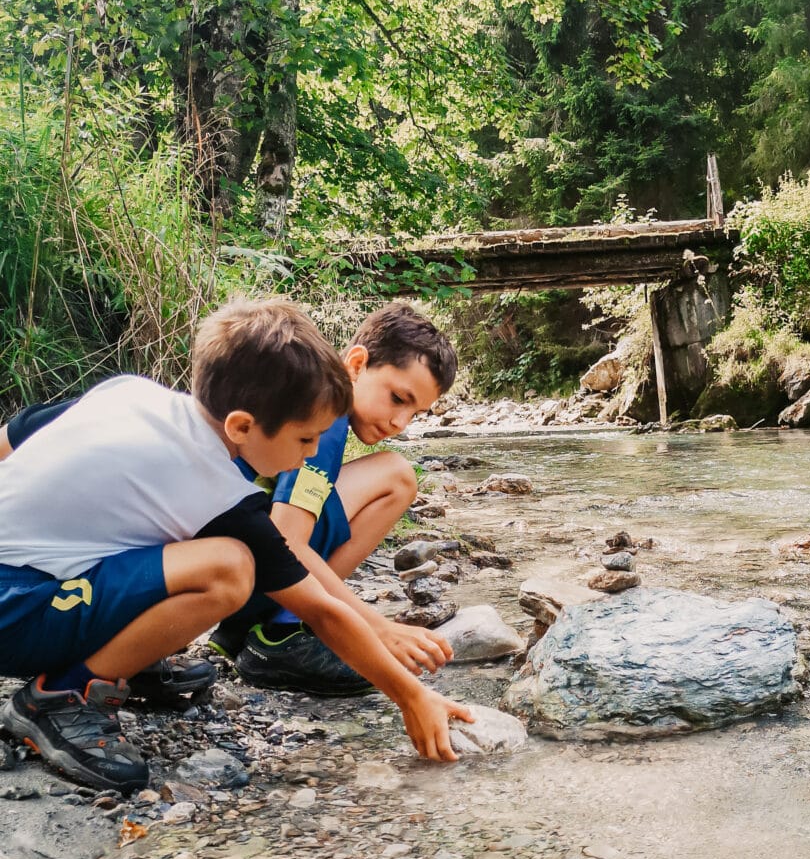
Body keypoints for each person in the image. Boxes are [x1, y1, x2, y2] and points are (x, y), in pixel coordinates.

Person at [0, 299, 472, 794]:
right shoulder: (217, 491)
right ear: (242, 427)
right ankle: (60, 694)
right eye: (305, 440)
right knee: (228, 568)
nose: (312, 455)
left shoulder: (130, 392)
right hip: (15, 611)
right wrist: (410, 696)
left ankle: (129, 657)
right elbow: (323, 612)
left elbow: (17, 433)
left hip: (29, 586)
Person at [209, 302, 460, 696]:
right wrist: (374, 628)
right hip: (234, 569)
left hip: (231, 562)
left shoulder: (314, 403)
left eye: (416, 412)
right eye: (397, 398)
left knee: (396, 474)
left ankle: (266, 624)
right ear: (356, 365)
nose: (400, 423)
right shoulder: (323, 421)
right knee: (396, 477)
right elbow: (286, 540)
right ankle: (283, 631)